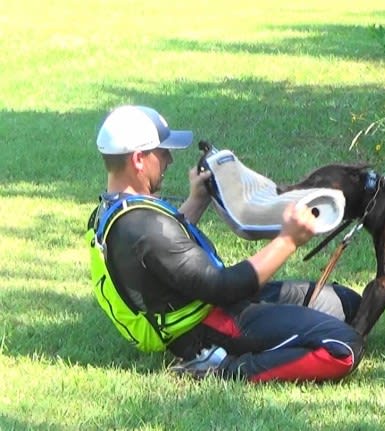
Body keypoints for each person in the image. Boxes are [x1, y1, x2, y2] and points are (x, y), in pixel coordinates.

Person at [86, 105, 364, 383]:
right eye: (162, 152)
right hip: (208, 326)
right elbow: (224, 287)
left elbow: (166, 257)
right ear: (138, 160)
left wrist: (196, 200)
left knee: (349, 305)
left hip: (215, 302)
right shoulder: (141, 227)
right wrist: (288, 240)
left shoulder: (119, 209)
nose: (169, 159)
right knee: (342, 348)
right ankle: (220, 367)